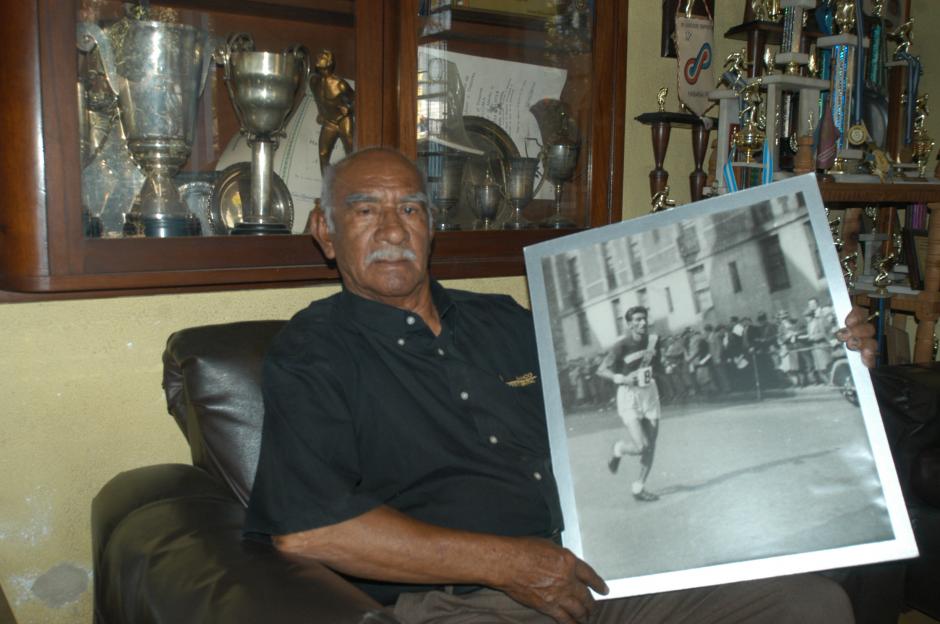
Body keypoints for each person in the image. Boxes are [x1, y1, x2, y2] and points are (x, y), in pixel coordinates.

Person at [245, 147, 875, 624]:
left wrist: (836, 352)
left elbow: (619, 400)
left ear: (430, 226)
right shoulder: (313, 353)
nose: (391, 229)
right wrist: (509, 564)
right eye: (364, 211)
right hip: (468, 602)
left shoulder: (508, 321)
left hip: (602, 569)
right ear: (325, 232)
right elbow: (311, 529)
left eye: (409, 208)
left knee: (809, 604)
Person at [595, 306, 663, 502]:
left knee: (652, 446)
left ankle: (638, 488)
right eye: (638, 320)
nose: (642, 323)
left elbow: (655, 365)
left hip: (649, 393)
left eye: (644, 319)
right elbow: (601, 370)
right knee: (642, 446)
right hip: (628, 395)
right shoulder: (621, 345)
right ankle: (619, 449)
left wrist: (650, 373)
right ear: (629, 324)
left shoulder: (654, 340)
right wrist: (623, 378)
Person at [310, 48, 355, 174]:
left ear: (329, 63)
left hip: (343, 121)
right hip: (329, 122)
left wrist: (349, 109)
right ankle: (326, 188)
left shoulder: (340, 85)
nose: (318, 58)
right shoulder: (314, 82)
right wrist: (320, 112)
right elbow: (317, 98)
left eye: (323, 57)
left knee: (351, 152)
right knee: (323, 154)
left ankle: (353, 184)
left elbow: (356, 100)